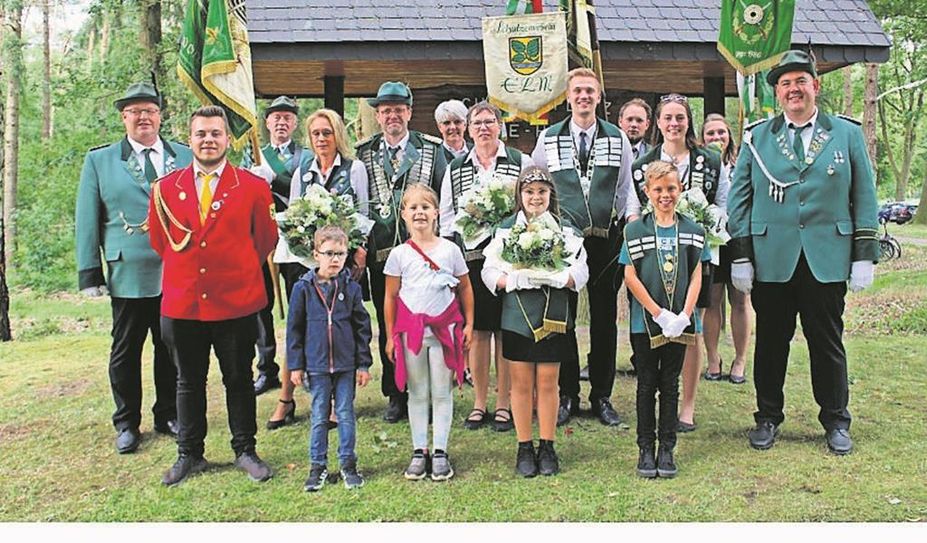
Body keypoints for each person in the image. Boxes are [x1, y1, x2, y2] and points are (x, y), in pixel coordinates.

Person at [727, 50, 879, 455]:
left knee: (827, 342)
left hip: (826, 257)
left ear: (816, 85)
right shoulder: (757, 137)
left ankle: (835, 420)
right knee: (772, 343)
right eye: (785, 83)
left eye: (800, 81)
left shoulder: (845, 134)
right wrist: (740, 254)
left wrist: (864, 252)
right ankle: (767, 417)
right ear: (777, 93)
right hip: (772, 258)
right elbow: (739, 199)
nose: (793, 89)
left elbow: (864, 194)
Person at [149, 106, 278, 485]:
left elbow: (264, 240)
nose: (208, 140)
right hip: (184, 301)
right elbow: (162, 242)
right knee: (187, 380)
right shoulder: (165, 188)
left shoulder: (253, 187)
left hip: (236, 300)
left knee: (238, 378)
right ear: (190, 139)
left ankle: (245, 450)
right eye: (201, 133)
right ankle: (190, 454)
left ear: (227, 139)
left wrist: (232, 269)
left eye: (216, 134)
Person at [75, 82, 192, 454]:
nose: (144, 117)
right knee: (126, 350)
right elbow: (87, 218)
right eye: (135, 111)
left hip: (176, 270)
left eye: (150, 110)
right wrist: (89, 271)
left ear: (160, 115)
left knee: (170, 346)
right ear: (124, 117)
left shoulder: (185, 157)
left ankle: (168, 413)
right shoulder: (101, 160)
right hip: (128, 272)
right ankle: (126, 422)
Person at [531, 67, 640, 427]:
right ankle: (567, 394)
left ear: (598, 97)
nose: (584, 97)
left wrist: (628, 226)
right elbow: (536, 187)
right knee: (562, 320)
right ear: (568, 96)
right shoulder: (548, 138)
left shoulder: (617, 137)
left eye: (590, 91)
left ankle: (602, 395)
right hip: (564, 243)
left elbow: (627, 190)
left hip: (605, 241)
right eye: (578, 91)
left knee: (605, 319)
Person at [631, 93, 729, 433]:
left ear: (689, 121)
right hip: (650, 260)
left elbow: (722, 205)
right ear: (657, 123)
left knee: (693, 326)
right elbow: (632, 210)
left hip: (694, 256)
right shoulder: (641, 165)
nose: (674, 123)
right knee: (652, 319)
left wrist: (705, 231)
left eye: (680, 117)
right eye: (668, 117)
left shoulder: (709, 161)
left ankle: (686, 406)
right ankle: (656, 390)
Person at [266, 108, 369, 430]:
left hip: (341, 263)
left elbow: (362, 215)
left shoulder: (355, 169)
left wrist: (357, 253)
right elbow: (296, 216)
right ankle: (286, 398)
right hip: (307, 264)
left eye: (327, 132)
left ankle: (338, 403)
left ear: (337, 134)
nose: (321, 139)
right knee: (301, 327)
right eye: (315, 134)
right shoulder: (302, 172)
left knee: (341, 328)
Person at [482, 167, 589, 477]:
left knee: (547, 382)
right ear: (520, 195)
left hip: (553, 316)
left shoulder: (566, 231)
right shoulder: (505, 231)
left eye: (542, 191)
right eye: (529, 192)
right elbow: (489, 272)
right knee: (521, 384)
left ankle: (548, 444)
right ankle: (524, 445)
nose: (535, 197)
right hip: (517, 315)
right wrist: (512, 280)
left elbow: (580, 273)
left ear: (550, 194)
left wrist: (560, 277)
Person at [356, 81, 448, 422]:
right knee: (389, 323)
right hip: (383, 258)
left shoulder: (433, 150)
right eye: (385, 110)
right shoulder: (363, 152)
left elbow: (444, 199)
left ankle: (424, 390)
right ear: (377, 116)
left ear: (409, 112)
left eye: (398, 109)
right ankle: (395, 392)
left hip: (421, 254)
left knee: (424, 323)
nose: (392, 115)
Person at [439, 101, 533, 432]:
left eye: (489, 122)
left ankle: (504, 402)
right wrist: (451, 262)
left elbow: (531, 207)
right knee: (478, 333)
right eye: (476, 123)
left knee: (505, 333)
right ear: (467, 129)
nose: (483, 128)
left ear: (499, 126)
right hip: (472, 260)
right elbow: (448, 218)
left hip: (508, 261)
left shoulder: (520, 161)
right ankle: (480, 402)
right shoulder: (456, 167)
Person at [621, 161, 710, 479]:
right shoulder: (634, 230)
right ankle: (645, 447)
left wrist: (685, 315)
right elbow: (630, 275)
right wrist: (658, 313)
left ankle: (667, 449)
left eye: (671, 188)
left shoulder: (694, 231)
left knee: (670, 384)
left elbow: (698, 272)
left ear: (681, 189)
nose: (665, 195)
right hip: (644, 322)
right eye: (657, 189)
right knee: (646, 384)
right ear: (647, 191)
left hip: (681, 323)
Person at [383, 184, 473, 481]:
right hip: (412, 333)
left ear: (437, 213)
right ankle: (419, 449)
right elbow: (391, 297)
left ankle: (441, 451)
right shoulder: (398, 254)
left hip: (445, 330)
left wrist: (469, 324)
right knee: (418, 391)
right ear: (403, 214)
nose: (419, 212)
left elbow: (465, 287)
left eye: (425, 206)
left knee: (442, 391)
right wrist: (389, 336)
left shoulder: (450, 250)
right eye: (413, 207)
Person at [287, 226, 373, 491]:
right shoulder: (302, 289)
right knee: (319, 415)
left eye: (340, 254)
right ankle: (317, 466)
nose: (335, 259)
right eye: (329, 253)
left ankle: (348, 464)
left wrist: (363, 364)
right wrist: (296, 365)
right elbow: (294, 329)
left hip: (346, 365)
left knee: (346, 414)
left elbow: (362, 328)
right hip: (317, 365)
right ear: (316, 254)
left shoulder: (352, 289)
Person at [243, 96, 312, 397]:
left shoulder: (305, 156)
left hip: (294, 237)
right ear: (267, 123)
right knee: (261, 305)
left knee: (300, 303)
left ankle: (303, 365)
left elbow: (307, 191)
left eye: (287, 117)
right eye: (276, 117)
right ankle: (266, 366)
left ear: (295, 123)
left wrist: (276, 179)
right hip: (261, 238)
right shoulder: (255, 155)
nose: (281, 122)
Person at [700, 113, 751, 384]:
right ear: (702, 137)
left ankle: (740, 359)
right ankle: (712, 357)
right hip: (712, 240)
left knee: (740, 300)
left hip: (739, 239)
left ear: (729, 136)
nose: (716, 138)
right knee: (712, 301)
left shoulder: (742, 163)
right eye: (710, 134)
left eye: (721, 133)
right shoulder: (701, 167)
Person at [435, 99, 470, 164]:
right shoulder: (434, 156)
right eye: (447, 123)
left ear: (465, 125)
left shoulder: (477, 151)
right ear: (439, 127)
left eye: (457, 122)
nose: (453, 127)